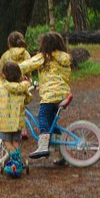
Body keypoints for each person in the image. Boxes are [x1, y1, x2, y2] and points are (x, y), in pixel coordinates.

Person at [20, 31, 72, 162]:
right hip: (62, 94)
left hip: (50, 95)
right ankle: (63, 154)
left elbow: (26, 65)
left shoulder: (44, 57)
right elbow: (57, 77)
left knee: (42, 117)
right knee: (51, 125)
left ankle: (43, 146)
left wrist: (11, 69)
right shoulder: (64, 58)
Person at [0, 60, 33, 177]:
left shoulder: (1, 88)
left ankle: (16, 163)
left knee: (6, 143)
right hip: (17, 123)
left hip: (4, 123)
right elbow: (28, 99)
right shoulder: (21, 89)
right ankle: (17, 161)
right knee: (15, 142)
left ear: (3, 75)